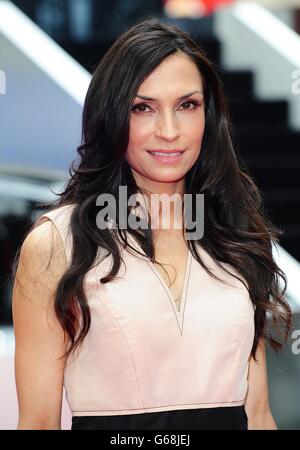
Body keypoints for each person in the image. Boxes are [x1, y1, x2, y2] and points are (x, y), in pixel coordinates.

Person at [12, 17, 291, 430]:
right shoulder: (58, 243)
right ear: (112, 116)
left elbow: (259, 414)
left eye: (187, 105)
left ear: (208, 115)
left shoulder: (238, 235)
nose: (169, 131)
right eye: (143, 108)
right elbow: (38, 422)